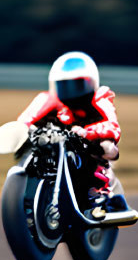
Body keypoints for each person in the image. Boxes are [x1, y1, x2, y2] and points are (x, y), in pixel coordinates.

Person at [17, 51, 122, 215]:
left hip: (86, 143)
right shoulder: (48, 100)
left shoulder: (100, 99)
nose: (70, 92)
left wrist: (88, 133)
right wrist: (22, 131)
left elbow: (112, 126)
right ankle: (27, 197)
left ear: (91, 83)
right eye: (63, 85)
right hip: (55, 142)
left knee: (106, 146)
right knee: (27, 146)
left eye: (77, 85)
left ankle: (99, 192)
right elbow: (25, 121)